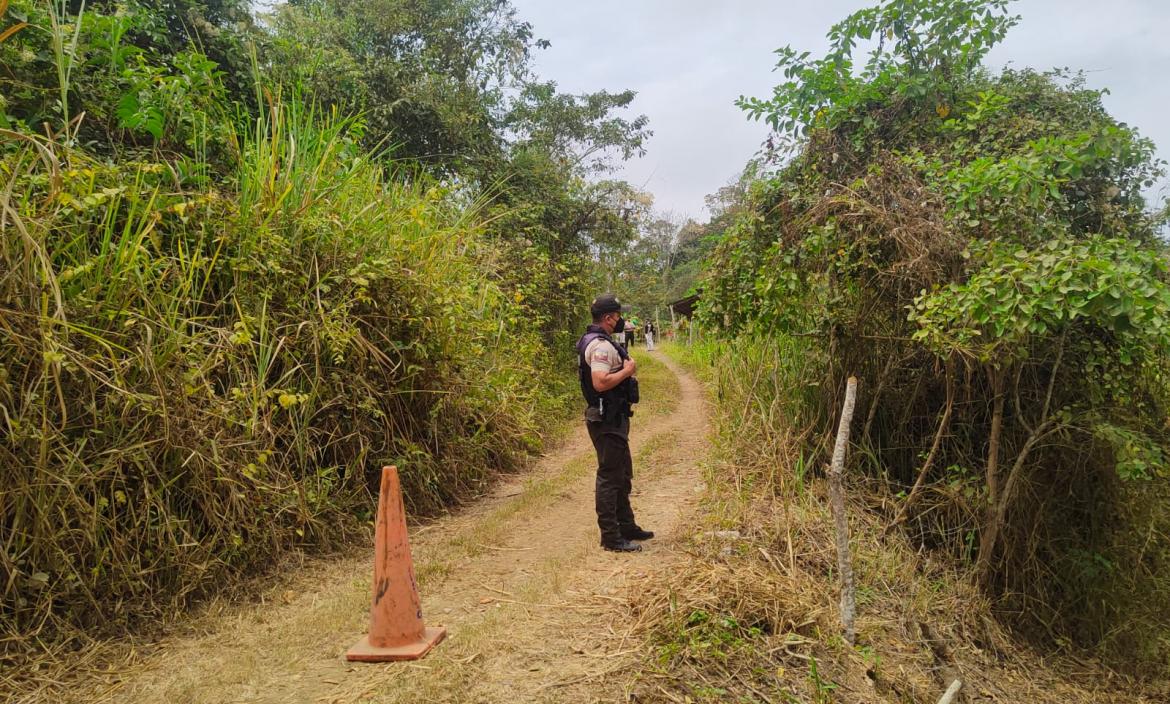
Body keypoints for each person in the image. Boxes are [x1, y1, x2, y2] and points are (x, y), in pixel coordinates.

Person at [576, 294, 654, 553]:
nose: (620, 320)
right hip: (606, 419)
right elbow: (599, 382)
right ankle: (611, 536)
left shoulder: (602, 341)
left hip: (613, 417)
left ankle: (627, 526)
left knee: (622, 473)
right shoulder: (600, 346)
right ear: (609, 318)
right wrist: (627, 372)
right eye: (618, 315)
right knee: (610, 477)